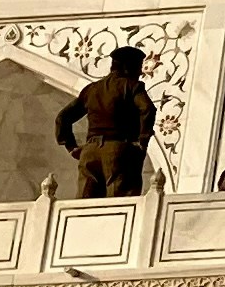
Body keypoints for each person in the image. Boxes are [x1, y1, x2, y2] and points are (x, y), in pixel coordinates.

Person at [55, 46, 158, 199]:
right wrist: (142, 141)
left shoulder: (92, 89)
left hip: (90, 153)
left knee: (84, 205)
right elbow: (147, 109)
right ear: (127, 67)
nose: (140, 73)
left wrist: (71, 147)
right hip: (118, 150)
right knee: (118, 204)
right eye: (138, 68)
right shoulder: (131, 86)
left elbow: (63, 118)